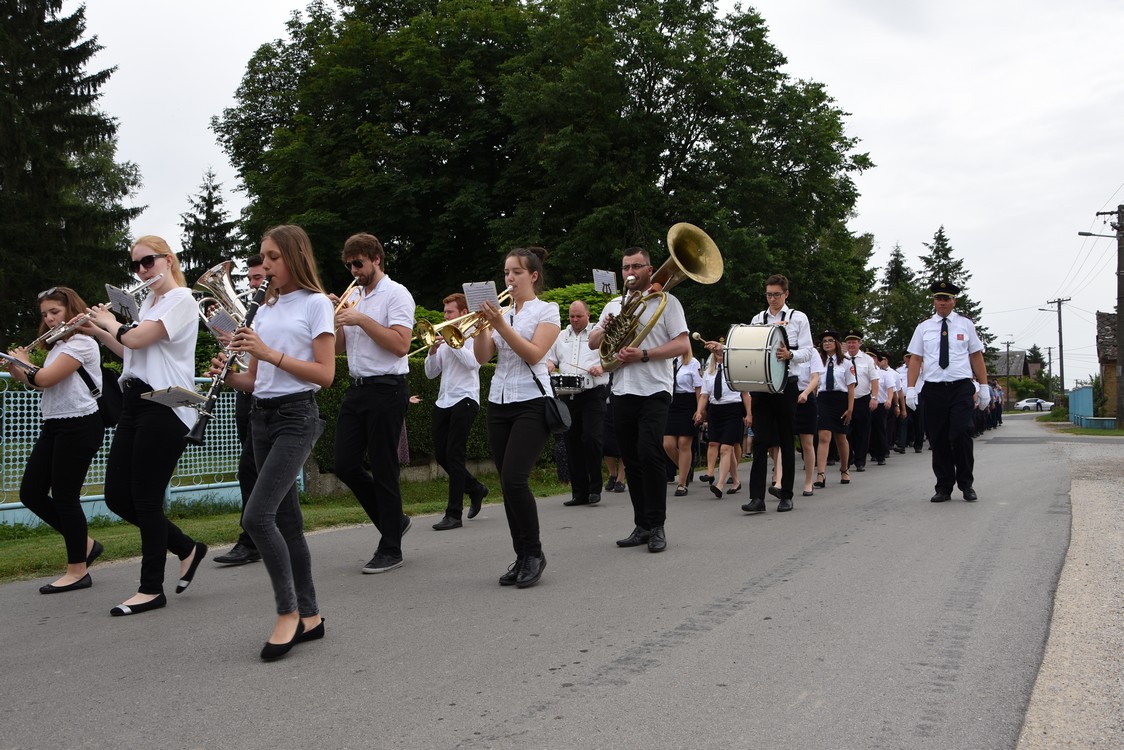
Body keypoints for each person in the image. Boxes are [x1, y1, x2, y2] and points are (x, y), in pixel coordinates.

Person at [213, 224, 334, 660]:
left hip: (297, 416)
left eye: (273, 258)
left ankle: (289, 613)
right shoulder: (263, 308)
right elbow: (256, 381)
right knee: (287, 524)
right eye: (263, 258)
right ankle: (313, 617)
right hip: (262, 417)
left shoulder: (317, 304)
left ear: (295, 257)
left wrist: (266, 352)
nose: (265, 266)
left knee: (256, 517)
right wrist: (228, 375)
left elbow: (325, 374)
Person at [82, 236, 206, 616]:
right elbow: (132, 349)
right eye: (135, 264)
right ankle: (186, 547)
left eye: (147, 262)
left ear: (168, 260)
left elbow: (136, 335)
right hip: (135, 401)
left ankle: (151, 588)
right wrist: (95, 331)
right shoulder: (150, 302)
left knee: (147, 498)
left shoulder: (181, 300)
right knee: (118, 496)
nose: (141, 271)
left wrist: (111, 321)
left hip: (167, 402)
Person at [5, 287, 105, 594]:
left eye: (55, 312)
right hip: (55, 424)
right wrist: (14, 367)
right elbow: (40, 385)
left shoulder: (83, 344)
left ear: (71, 311)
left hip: (81, 424)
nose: (49, 319)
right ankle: (86, 545)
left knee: (65, 497)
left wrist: (24, 362)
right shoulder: (56, 347)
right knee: (31, 493)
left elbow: (45, 378)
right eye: (45, 314)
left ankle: (78, 570)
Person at [589, 247, 689, 552]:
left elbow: (682, 344)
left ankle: (657, 525)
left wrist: (643, 354)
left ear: (649, 269)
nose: (630, 272)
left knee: (649, 452)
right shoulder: (614, 305)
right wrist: (606, 327)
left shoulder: (667, 302)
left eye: (636, 266)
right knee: (630, 459)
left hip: (655, 389)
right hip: (622, 390)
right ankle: (642, 525)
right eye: (625, 267)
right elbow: (594, 342)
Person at [473, 247, 560, 587]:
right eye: (506, 272)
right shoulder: (503, 312)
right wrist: (482, 327)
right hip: (499, 399)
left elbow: (535, 352)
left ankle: (535, 553)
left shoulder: (547, 311)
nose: (509, 278)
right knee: (507, 484)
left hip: (532, 401)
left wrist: (498, 324)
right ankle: (521, 555)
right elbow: (482, 358)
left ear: (533, 276)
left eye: (516, 272)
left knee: (514, 478)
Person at [332, 233, 415, 574]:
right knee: (344, 463)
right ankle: (393, 520)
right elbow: (337, 348)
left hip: (387, 387)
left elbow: (400, 345)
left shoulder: (396, 294)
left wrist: (361, 319)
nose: (354, 271)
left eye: (359, 264)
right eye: (349, 265)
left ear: (376, 259)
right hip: (358, 387)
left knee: (384, 467)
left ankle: (391, 547)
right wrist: (334, 316)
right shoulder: (354, 296)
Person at [905, 281, 990, 503]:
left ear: (954, 301)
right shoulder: (923, 327)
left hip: (960, 387)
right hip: (933, 389)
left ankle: (966, 483)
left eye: (947, 299)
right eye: (938, 299)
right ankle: (944, 485)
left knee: (961, 433)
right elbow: (915, 358)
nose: (942, 303)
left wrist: (983, 386)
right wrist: (911, 388)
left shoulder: (965, 325)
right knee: (938, 438)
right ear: (934, 301)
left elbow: (976, 356)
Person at [736, 274, 815, 513]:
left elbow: (809, 351)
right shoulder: (757, 318)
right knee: (760, 441)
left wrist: (790, 354)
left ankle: (786, 495)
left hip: (786, 384)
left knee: (784, 438)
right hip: (762, 386)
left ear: (786, 294)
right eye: (769, 294)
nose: (772, 299)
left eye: (777, 294)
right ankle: (757, 498)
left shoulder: (797, 318)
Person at [213, 254, 267, 566]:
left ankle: (250, 541)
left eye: (258, 278)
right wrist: (227, 342)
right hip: (247, 395)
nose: (252, 284)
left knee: (249, 470)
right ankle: (265, 537)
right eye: (249, 279)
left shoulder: (271, 313)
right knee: (251, 469)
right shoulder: (247, 313)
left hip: (267, 396)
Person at [425, 293, 489, 530]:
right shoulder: (443, 337)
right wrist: (432, 351)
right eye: (445, 312)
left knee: (454, 455)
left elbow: (474, 363)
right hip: (444, 400)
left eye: (449, 312)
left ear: (463, 313)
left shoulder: (475, 332)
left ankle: (453, 514)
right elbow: (431, 373)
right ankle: (476, 489)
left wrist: (453, 342)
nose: (445, 316)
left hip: (466, 398)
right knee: (441, 455)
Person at [547, 300, 609, 506]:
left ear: (588, 315)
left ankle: (594, 488)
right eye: (572, 316)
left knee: (591, 439)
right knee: (571, 442)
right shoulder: (561, 336)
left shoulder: (597, 334)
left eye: (579, 316)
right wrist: (549, 365)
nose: (574, 320)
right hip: (567, 395)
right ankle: (579, 492)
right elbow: (551, 359)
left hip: (592, 393)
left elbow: (613, 357)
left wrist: (601, 367)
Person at [696, 347, 750, 498]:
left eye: (722, 351)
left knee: (726, 448)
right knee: (714, 443)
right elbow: (704, 396)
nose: (719, 354)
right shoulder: (709, 372)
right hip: (715, 411)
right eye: (716, 352)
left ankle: (720, 484)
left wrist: (749, 414)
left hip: (733, 410)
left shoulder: (736, 370)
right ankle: (736, 481)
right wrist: (699, 411)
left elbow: (745, 394)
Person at [814, 330, 856, 488]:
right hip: (823, 399)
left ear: (837, 343)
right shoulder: (819, 362)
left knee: (841, 438)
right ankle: (821, 474)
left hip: (840, 400)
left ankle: (845, 469)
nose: (827, 343)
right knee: (824, 437)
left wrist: (850, 408)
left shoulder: (846, 363)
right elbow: (814, 383)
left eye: (830, 340)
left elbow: (851, 387)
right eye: (824, 341)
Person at [664, 347, 703, 496]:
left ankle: (682, 484)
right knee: (668, 444)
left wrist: (699, 411)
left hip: (688, 403)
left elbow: (699, 388)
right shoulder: (668, 361)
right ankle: (686, 468)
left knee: (684, 443)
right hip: (672, 403)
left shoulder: (693, 363)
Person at [842, 330, 879, 473]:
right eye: (849, 342)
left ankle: (860, 461)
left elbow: (874, 379)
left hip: (862, 399)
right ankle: (848, 458)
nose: (851, 345)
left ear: (859, 343)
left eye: (854, 342)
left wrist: (874, 398)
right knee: (846, 432)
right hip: (845, 400)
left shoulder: (867, 359)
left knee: (862, 432)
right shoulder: (841, 358)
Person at [793, 349, 825, 496]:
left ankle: (808, 482)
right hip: (786, 397)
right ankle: (779, 479)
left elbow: (815, 378)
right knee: (781, 441)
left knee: (807, 443)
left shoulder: (812, 352)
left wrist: (805, 393)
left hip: (805, 397)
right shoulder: (784, 347)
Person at [871, 351, 899, 465]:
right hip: (865, 404)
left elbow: (890, 388)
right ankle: (869, 453)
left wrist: (889, 400)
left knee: (880, 430)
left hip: (880, 405)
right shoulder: (863, 372)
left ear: (877, 360)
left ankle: (881, 454)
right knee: (867, 430)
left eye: (873, 358)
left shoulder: (884, 374)